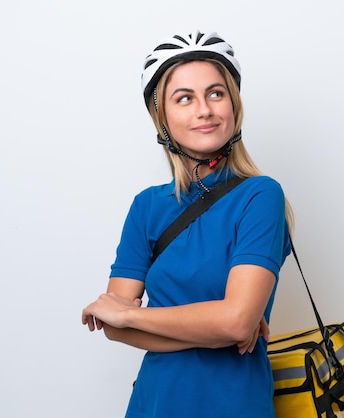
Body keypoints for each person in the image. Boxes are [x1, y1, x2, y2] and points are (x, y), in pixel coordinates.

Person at [82, 30, 294, 418]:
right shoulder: (146, 206)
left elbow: (234, 322)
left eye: (216, 93)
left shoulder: (261, 196)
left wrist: (131, 314)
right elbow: (113, 328)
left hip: (233, 406)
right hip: (154, 404)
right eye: (185, 98)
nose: (205, 109)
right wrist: (215, 331)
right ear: (162, 118)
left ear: (234, 104)